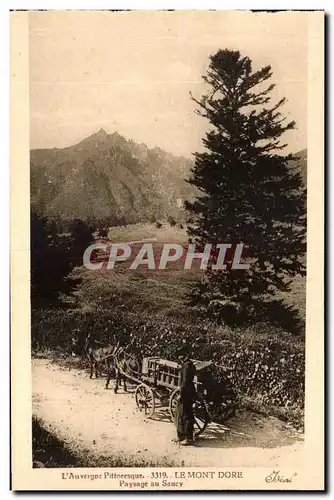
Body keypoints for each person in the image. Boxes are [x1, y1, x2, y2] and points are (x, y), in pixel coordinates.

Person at [174, 353, 197, 446]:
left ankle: (188, 438)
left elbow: (185, 381)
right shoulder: (188, 364)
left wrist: (181, 394)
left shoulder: (187, 366)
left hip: (186, 392)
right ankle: (181, 436)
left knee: (185, 414)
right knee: (180, 413)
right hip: (188, 391)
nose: (179, 357)